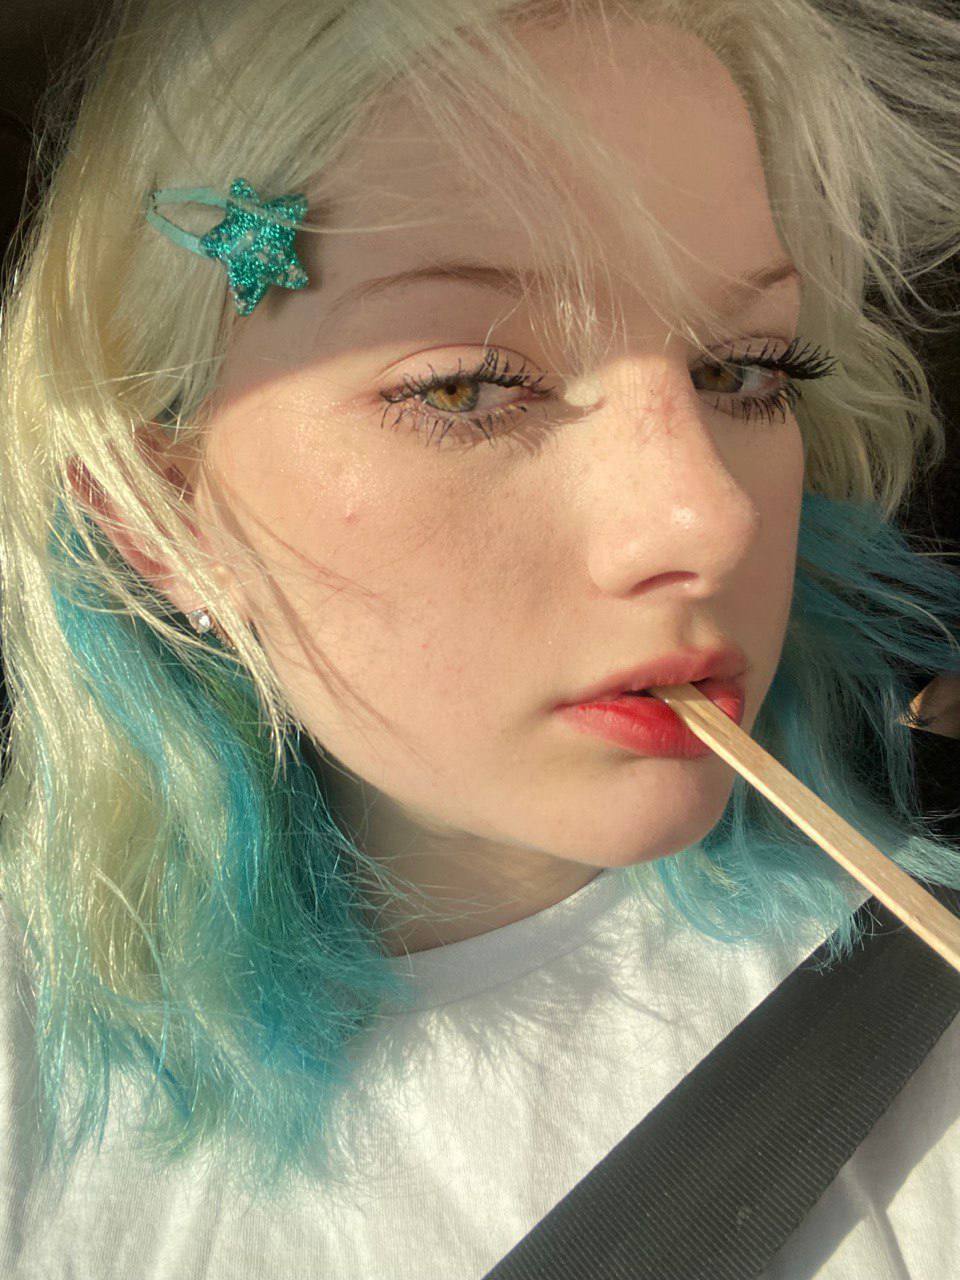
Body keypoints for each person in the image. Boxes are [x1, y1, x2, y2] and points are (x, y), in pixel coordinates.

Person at [1, 0, 959, 1274]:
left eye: (744, 370)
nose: (710, 517)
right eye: (466, 385)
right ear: (160, 519)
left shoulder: (922, 1029)